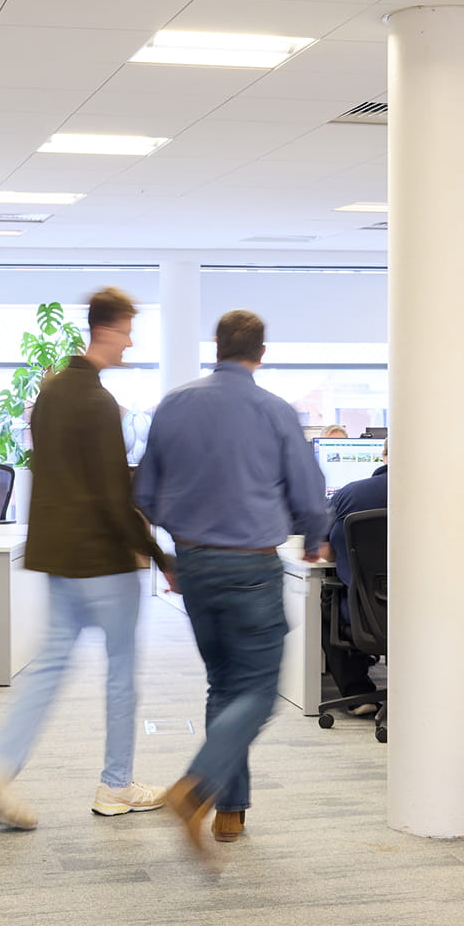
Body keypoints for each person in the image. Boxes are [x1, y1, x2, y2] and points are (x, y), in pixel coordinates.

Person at [0, 286, 173, 828]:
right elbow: (109, 492)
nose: (130, 342)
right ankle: (116, 784)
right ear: (107, 329)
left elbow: (56, 478)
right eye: (127, 331)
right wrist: (160, 555)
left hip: (59, 556)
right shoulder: (98, 401)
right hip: (104, 559)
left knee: (50, 667)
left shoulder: (52, 391)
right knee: (123, 672)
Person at [136, 309, 330, 857]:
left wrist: (172, 552)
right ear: (260, 354)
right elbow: (309, 492)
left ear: (216, 346)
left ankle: (230, 812)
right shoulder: (274, 411)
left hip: (194, 566)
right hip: (251, 568)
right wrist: (315, 535)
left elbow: (146, 494)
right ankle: (196, 787)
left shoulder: (174, 404)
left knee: (225, 686)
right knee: (260, 692)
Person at [324, 439, 387, 717]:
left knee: (327, 601)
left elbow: (326, 553)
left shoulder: (350, 494)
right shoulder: (444, 493)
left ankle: (358, 693)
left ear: (383, 455)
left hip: (369, 614)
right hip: (433, 614)